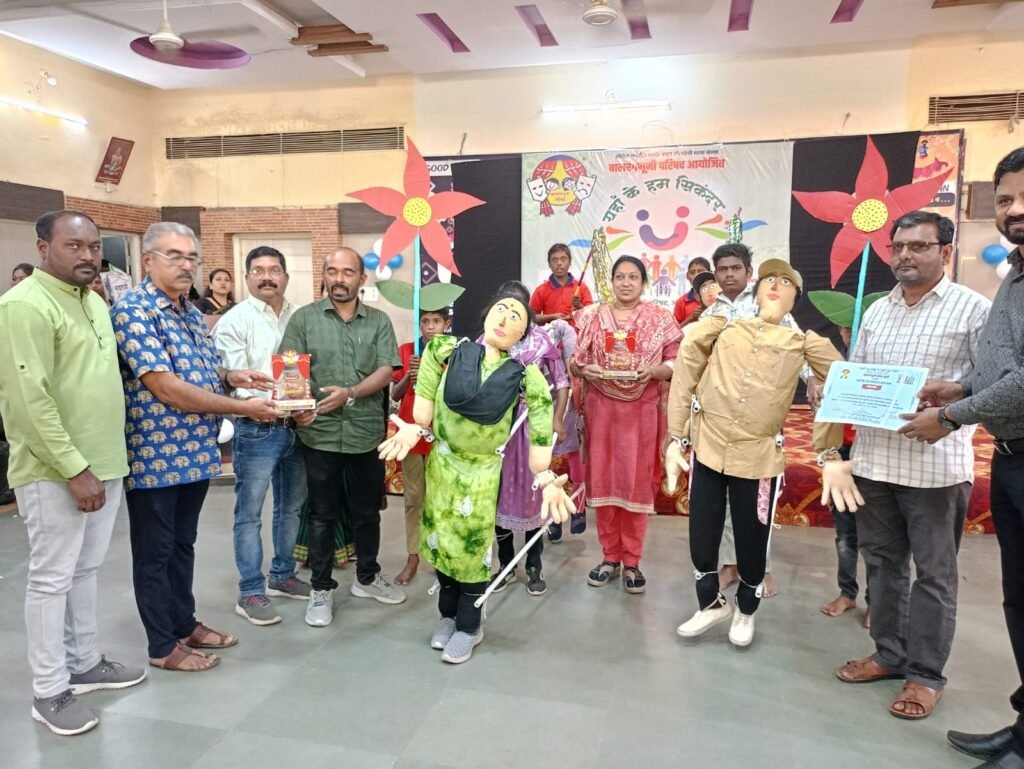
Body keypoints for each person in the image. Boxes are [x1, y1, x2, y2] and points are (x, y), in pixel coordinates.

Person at [831, 211, 989, 721]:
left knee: (934, 576)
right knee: (883, 566)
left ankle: (925, 675)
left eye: (918, 246)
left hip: (935, 469)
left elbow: (992, 384)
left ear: (945, 252)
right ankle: (888, 655)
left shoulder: (973, 310)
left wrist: (949, 408)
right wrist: (832, 390)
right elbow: (858, 376)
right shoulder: (878, 311)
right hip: (876, 462)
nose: (904, 255)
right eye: (897, 246)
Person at [900, 148, 1024, 766]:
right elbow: (1000, 369)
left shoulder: (977, 298)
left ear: (945, 252)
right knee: (1018, 599)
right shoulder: (1015, 276)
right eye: (1004, 199)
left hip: (1002, 452)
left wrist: (952, 415)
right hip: (1009, 453)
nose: (1014, 209)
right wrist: (960, 389)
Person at [0, 210, 146, 736]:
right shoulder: (24, 306)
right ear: (43, 248)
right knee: (50, 579)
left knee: (85, 571)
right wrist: (75, 469)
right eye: (74, 246)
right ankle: (49, 690)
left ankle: (84, 664)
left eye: (94, 246)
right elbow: (29, 400)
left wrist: (101, 466)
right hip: (54, 471)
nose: (88, 255)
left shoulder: (93, 301)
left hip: (104, 462)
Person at [112, 222, 282, 672]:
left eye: (192, 258)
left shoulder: (188, 310)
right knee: (155, 552)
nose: (186, 265)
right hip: (155, 455)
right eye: (175, 256)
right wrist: (243, 408)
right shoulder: (134, 311)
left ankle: (184, 624)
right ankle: (162, 645)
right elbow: (166, 386)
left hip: (195, 451)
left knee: (182, 543)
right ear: (147, 260)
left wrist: (231, 376)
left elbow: (201, 370)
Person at [378, 288, 574, 664]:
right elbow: (427, 376)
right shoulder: (450, 349)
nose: (504, 319)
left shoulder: (526, 375)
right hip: (442, 464)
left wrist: (546, 476)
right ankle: (447, 617)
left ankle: (469, 626)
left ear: (523, 333)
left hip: (482, 472)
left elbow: (539, 426)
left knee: (471, 549)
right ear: (486, 316)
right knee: (440, 544)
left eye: (515, 317)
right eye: (500, 310)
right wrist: (417, 424)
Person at [668, 259, 851, 647]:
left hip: (757, 456)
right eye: (769, 279)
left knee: (752, 535)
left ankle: (746, 610)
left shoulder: (802, 342)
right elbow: (686, 368)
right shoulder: (723, 327)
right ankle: (709, 603)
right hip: (709, 446)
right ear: (757, 289)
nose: (775, 285)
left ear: (795, 298)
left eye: (786, 282)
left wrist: (829, 451)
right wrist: (675, 437)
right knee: (702, 532)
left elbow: (841, 380)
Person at [278, 247, 404, 628]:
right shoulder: (304, 319)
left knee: (368, 512)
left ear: (361, 279)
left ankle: (367, 577)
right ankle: (321, 588)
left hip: (366, 433)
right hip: (320, 434)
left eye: (347, 272)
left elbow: (386, 370)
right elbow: (289, 370)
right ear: (324, 275)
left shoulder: (378, 321)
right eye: (331, 271)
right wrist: (296, 409)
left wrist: (350, 394)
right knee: (321, 514)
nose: (338, 279)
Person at [704, 243, 814, 598]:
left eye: (735, 268)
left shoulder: (771, 304)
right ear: (715, 275)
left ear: (749, 273)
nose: (729, 275)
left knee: (758, 501)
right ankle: (728, 564)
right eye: (722, 269)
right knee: (723, 500)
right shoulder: (711, 314)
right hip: (719, 421)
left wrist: (814, 379)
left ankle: (759, 567)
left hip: (760, 421)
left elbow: (800, 348)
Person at [212, 246, 314, 626]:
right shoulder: (235, 320)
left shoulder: (302, 316)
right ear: (247, 277)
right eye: (258, 270)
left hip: (296, 426)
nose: (267, 276)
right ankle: (251, 591)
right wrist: (257, 404)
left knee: (291, 507)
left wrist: (306, 404)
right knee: (249, 513)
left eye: (274, 270)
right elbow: (231, 377)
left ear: (286, 276)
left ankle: (283, 575)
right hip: (257, 427)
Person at [570, 255, 681, 594]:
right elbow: (575, 362)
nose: (626, 283)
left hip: (640, 411)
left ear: (644, 282)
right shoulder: (592, 316)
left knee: (635, 483)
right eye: (620, 276)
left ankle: (632, 561)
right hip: (602, 409)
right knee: (604, 481)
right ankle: (610, 557)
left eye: (633, 277)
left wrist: (656, 371)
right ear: (612, 282)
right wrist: (583, 370)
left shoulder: (660, 319)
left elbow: (676, 360)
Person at [485, 281, 570, 597]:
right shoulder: (490, 337)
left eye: (518, 305)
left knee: (534, 495)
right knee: (498, 497)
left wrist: (557, 418)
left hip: (532, 427)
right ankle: (506, 567)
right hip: (497, 429)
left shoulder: (541, 340)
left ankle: (534, 565)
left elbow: (562, 382)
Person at [391, 306, 452, 585]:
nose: (430, 326)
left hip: (441, 435)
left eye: (436, 321)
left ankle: (441, 556)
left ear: (446, 324)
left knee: (442, 499)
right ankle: (413, 556)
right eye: (425, 321)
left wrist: (435, 372)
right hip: (411, 435)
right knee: (414, 498)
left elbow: (457, 393)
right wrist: (410, 374)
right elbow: (395, 394)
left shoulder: (453, 352)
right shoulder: (407, 351)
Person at [546, 316, 587, 543]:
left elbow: (575, 365)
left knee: (575, 451)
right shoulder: (530, 334)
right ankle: (553, 515)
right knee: (543, 458)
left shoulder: (567, 329)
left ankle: (578, 508)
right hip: (539, 400)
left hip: (571, 396)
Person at [530, 242, 593, 326]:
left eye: (563, 259)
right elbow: (531, 317)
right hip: (551, 334)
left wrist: (579, 306)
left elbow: (592, 317)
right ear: (549, 264)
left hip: (577, 334)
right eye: (555, 260)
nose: (559, 263)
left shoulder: (582, 288)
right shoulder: (541, 290)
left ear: (570, 262)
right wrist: (552, 317)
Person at [672, 257, 712, 326]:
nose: (696, 275)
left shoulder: (719, 297)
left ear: (710, 273)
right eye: (692, 272)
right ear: (687, 276)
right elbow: (675, 330)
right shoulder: (681, 302)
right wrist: (691, 318)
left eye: (700, 271)